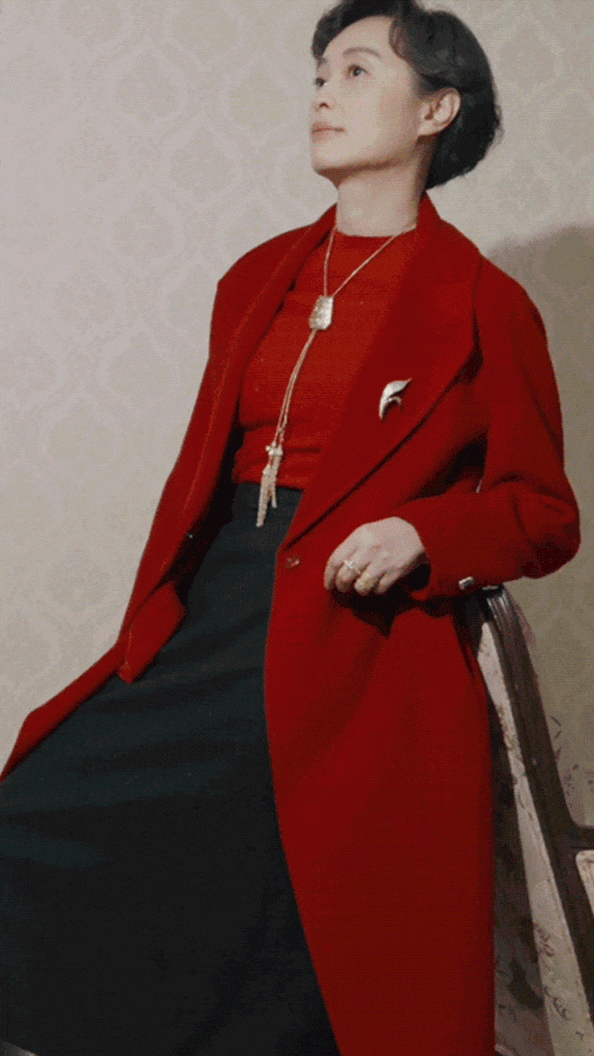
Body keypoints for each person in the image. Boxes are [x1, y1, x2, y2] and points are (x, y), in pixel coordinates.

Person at [0, 1, 580, 1055]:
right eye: (320, 73)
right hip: (217, 610)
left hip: (363, 644)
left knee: (300, 922)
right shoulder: (256, 277)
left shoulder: (485, 303)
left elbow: (544, 515)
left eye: (357, 72)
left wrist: (426, 536)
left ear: (436, 110)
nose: (322, 93)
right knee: (42, 813)